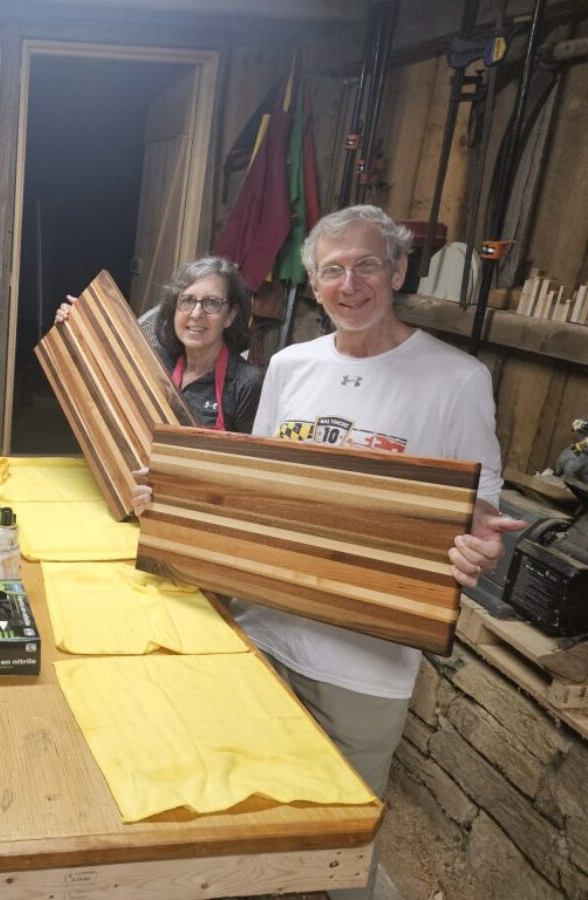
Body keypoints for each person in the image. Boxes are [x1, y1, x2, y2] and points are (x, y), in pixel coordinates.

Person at [137, 205, 522, 900]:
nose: (350, 284)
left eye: (367, 264)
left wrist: (477, 545)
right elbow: (259, 488)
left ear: (398, 270)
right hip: (268, 624)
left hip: (366, 658)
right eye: (332, 270)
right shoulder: (290, 365)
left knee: (345, 836)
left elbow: (479, 502)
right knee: (253, 806)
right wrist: (177, 491)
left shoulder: (455, 378)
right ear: (313, 284)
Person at [56, 257, 263, 433]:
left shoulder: (246, 383)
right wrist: (75, 325)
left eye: (212, 303)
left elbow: (247, 469)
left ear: (230, 316)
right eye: (187, 300)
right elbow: (101, 390)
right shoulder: (153, 360)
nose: (196, 313)